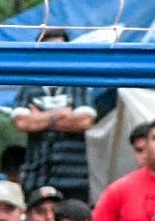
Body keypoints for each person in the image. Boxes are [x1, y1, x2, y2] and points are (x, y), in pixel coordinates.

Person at [11, 42, 97, 204]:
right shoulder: (29, 85)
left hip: (74, 177)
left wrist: (40, 117)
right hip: (36, 175)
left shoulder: (78, 83)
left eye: (60, 50)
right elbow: (21, 123)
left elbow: (85, 121)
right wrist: (61, 114)